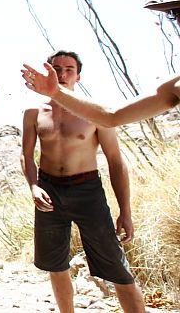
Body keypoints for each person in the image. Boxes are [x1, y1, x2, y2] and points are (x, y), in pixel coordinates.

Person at [21, 51, 145, 313]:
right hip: (49, 190)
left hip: (87, 191)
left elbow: (115, 161)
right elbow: (26, 154)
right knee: (55, 265)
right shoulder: (33, 112)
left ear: (78, 75)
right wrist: (34, 185)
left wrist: (126, 211)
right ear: (49, 73)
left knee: (116, 267)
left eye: (69, 69)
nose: (62, 74)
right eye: (57, 69)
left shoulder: (95, 112)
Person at [22, 0, 180, 126]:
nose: (179, 21)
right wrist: (57, 92)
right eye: (177, 14)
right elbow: (111, 116)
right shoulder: (174, 84)